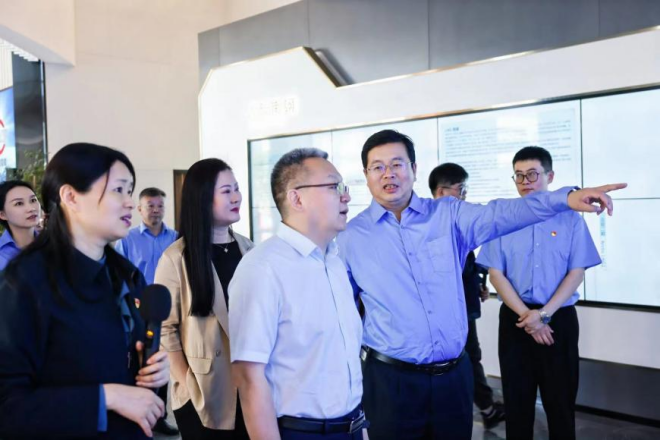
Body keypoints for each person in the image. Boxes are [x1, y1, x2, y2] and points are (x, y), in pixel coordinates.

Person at [336, 129, 623, 439]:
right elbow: (342, 316)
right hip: (390, 381)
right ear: (366, 175)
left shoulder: (448, 215)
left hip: (452, 379)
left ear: (414, 169)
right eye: (377, 167)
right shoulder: (350, 238)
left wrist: (564, 199)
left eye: (397, 164)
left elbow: (502, 213)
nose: (388, 174)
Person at [0, 143, 170, 439]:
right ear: (70, 197)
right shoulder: (24, 282)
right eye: (118, 190)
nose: (129, 203)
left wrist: (155, 371)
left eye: (130, 191)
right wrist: (106, 398)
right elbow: (8, 407)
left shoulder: (126, 275)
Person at [230, 148, 366, 439]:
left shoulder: (334, 261)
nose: (346, 196)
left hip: (352, 426)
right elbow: (249, 377)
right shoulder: (263, 268)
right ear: (296, 198)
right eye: (334, 187)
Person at [476, 146, 601, 440]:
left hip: (558, 319)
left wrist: (543, 316)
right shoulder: (503, 219)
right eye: (518, 175)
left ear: (550, 176)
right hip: (516, 320)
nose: (525, 182)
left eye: (532, 174)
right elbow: (496, 274)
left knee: (560, 405)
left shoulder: (570, 218)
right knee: (517, 406)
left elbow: (577, 272)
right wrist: (528, 317)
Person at [156, 158, 254, 439]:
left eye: (236, 188)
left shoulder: (249, 249)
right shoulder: (176, 258)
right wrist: (187, 383)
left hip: (250, 385)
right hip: (204, 392)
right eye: (226, 191)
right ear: (202, 198)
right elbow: (165, 328)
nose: (236, 197)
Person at [428, 162, 505, 429]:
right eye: (460, 190)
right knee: (469, 358)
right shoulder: (433, 227)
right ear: (441, 192)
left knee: (471, 356)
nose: (464, 196)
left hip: (464, 304)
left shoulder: (452, 220)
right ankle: (486, 408)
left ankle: (486, 407)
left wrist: (477, 286)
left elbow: (465, 266)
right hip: (453, 310)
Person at [115, 186, 179, 436]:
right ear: (140, 209)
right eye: (150, 206)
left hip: (170, 309)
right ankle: (138, 413)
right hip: (139, 311)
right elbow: (119, 276)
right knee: (141, 361)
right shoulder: (127, 239)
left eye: (160, 205)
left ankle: (159, 416)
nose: (156, 210)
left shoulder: (176, 238)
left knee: (163, 361)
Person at [0, 180, 41, 269]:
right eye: (19, 203)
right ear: (2, 214)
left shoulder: (54, 245)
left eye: (33, 200)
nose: (31, 208)